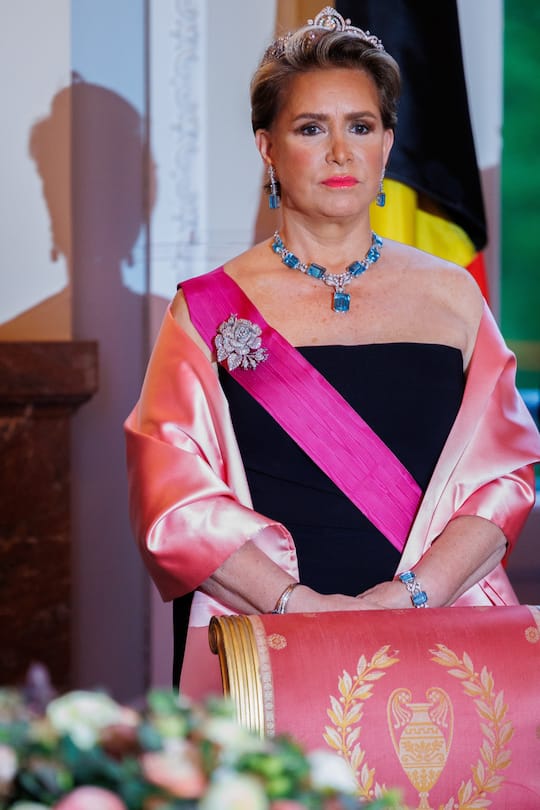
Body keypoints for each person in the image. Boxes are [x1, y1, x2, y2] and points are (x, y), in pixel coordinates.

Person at [125, 7, 540, 698]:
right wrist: (300, 610)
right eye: (312, 128)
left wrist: (410, 597)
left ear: (388, 143)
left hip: (435, 637)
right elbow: (174, 501)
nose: (341, 152)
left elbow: (504, 480)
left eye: (362, 126)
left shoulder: (453, 297)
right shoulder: (207, 307)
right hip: (269, 643)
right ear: (267, 147)